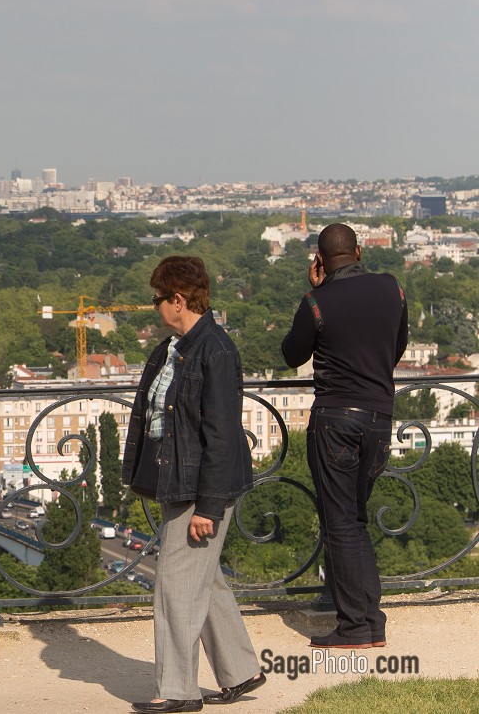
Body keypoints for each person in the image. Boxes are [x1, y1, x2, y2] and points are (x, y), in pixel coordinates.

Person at [122, 256, 263, 713]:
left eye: (158, 299)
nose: (155, 307)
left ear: (178, 300)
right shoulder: (177, 345)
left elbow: (222, 436)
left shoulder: (215, 350)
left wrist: (209, 506)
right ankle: (241, 669)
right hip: (178, 478)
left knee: (176, 584)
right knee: (201, 577)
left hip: (199, 487)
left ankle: (179, 689)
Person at [281, 223, 407, 650]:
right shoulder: (393, 288)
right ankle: (371, 622)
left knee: (341, 523)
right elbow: (398, 345)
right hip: (380, 419)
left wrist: (314, 292)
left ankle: (354, 627)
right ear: (358, 250)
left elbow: (291, 354)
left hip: (335, 419)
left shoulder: (318, 301)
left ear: (319, 260)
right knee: (355, 519)